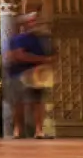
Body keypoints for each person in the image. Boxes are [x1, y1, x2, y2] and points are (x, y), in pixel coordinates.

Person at [3, 10, 55, 139]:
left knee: (38, 102)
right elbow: (19, 55)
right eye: (31, 21)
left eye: (36, 20)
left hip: (37, 75)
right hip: (19, 75)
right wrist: (42, 60)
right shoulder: (19, 39)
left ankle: (38, 130)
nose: (35, 23)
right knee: (19, 103)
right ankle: (18, 130)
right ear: (24, 24)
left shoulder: (42, 38)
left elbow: (52, 54)